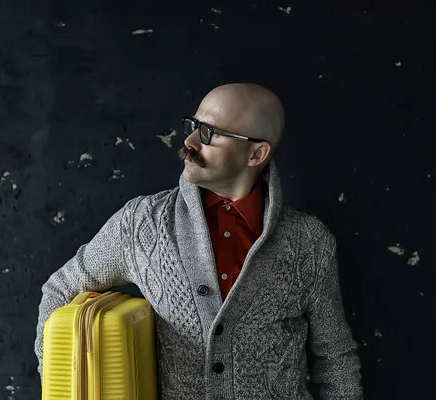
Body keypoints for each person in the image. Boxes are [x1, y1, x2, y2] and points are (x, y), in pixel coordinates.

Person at [35, 83, 364, 399]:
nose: (191, 140)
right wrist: (58, 384)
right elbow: (61, 289)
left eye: (211, 132)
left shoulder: (308, 241)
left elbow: (335, 357)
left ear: (256, 153)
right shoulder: (141, 223)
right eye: (194, 125)